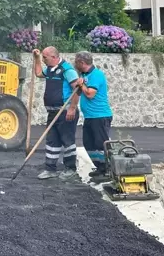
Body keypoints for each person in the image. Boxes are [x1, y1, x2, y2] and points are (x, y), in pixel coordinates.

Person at [32, 46, 81, 180]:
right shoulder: (49, 69)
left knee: (67, 141)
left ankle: (70, 169)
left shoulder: (67, 70)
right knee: (52, 141)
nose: (43, 60)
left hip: (65, 112)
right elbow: (38, 73)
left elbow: (78, 89)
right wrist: (36, 59)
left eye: (45, 57)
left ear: (54, 57)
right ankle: (50, 169)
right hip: (53, 112)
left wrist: (72, 108)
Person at [73, 51, 113, 180]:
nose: (75, 64)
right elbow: (81, 91)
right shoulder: (84, 75)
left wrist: (82, 84)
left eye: (76, 62)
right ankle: (99, 167)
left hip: (100, 115)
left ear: (82, 63)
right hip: (90, 116)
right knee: (88, 143)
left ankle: (107, 170)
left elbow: (90, 94)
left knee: (100, 144)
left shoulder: (96, 75)